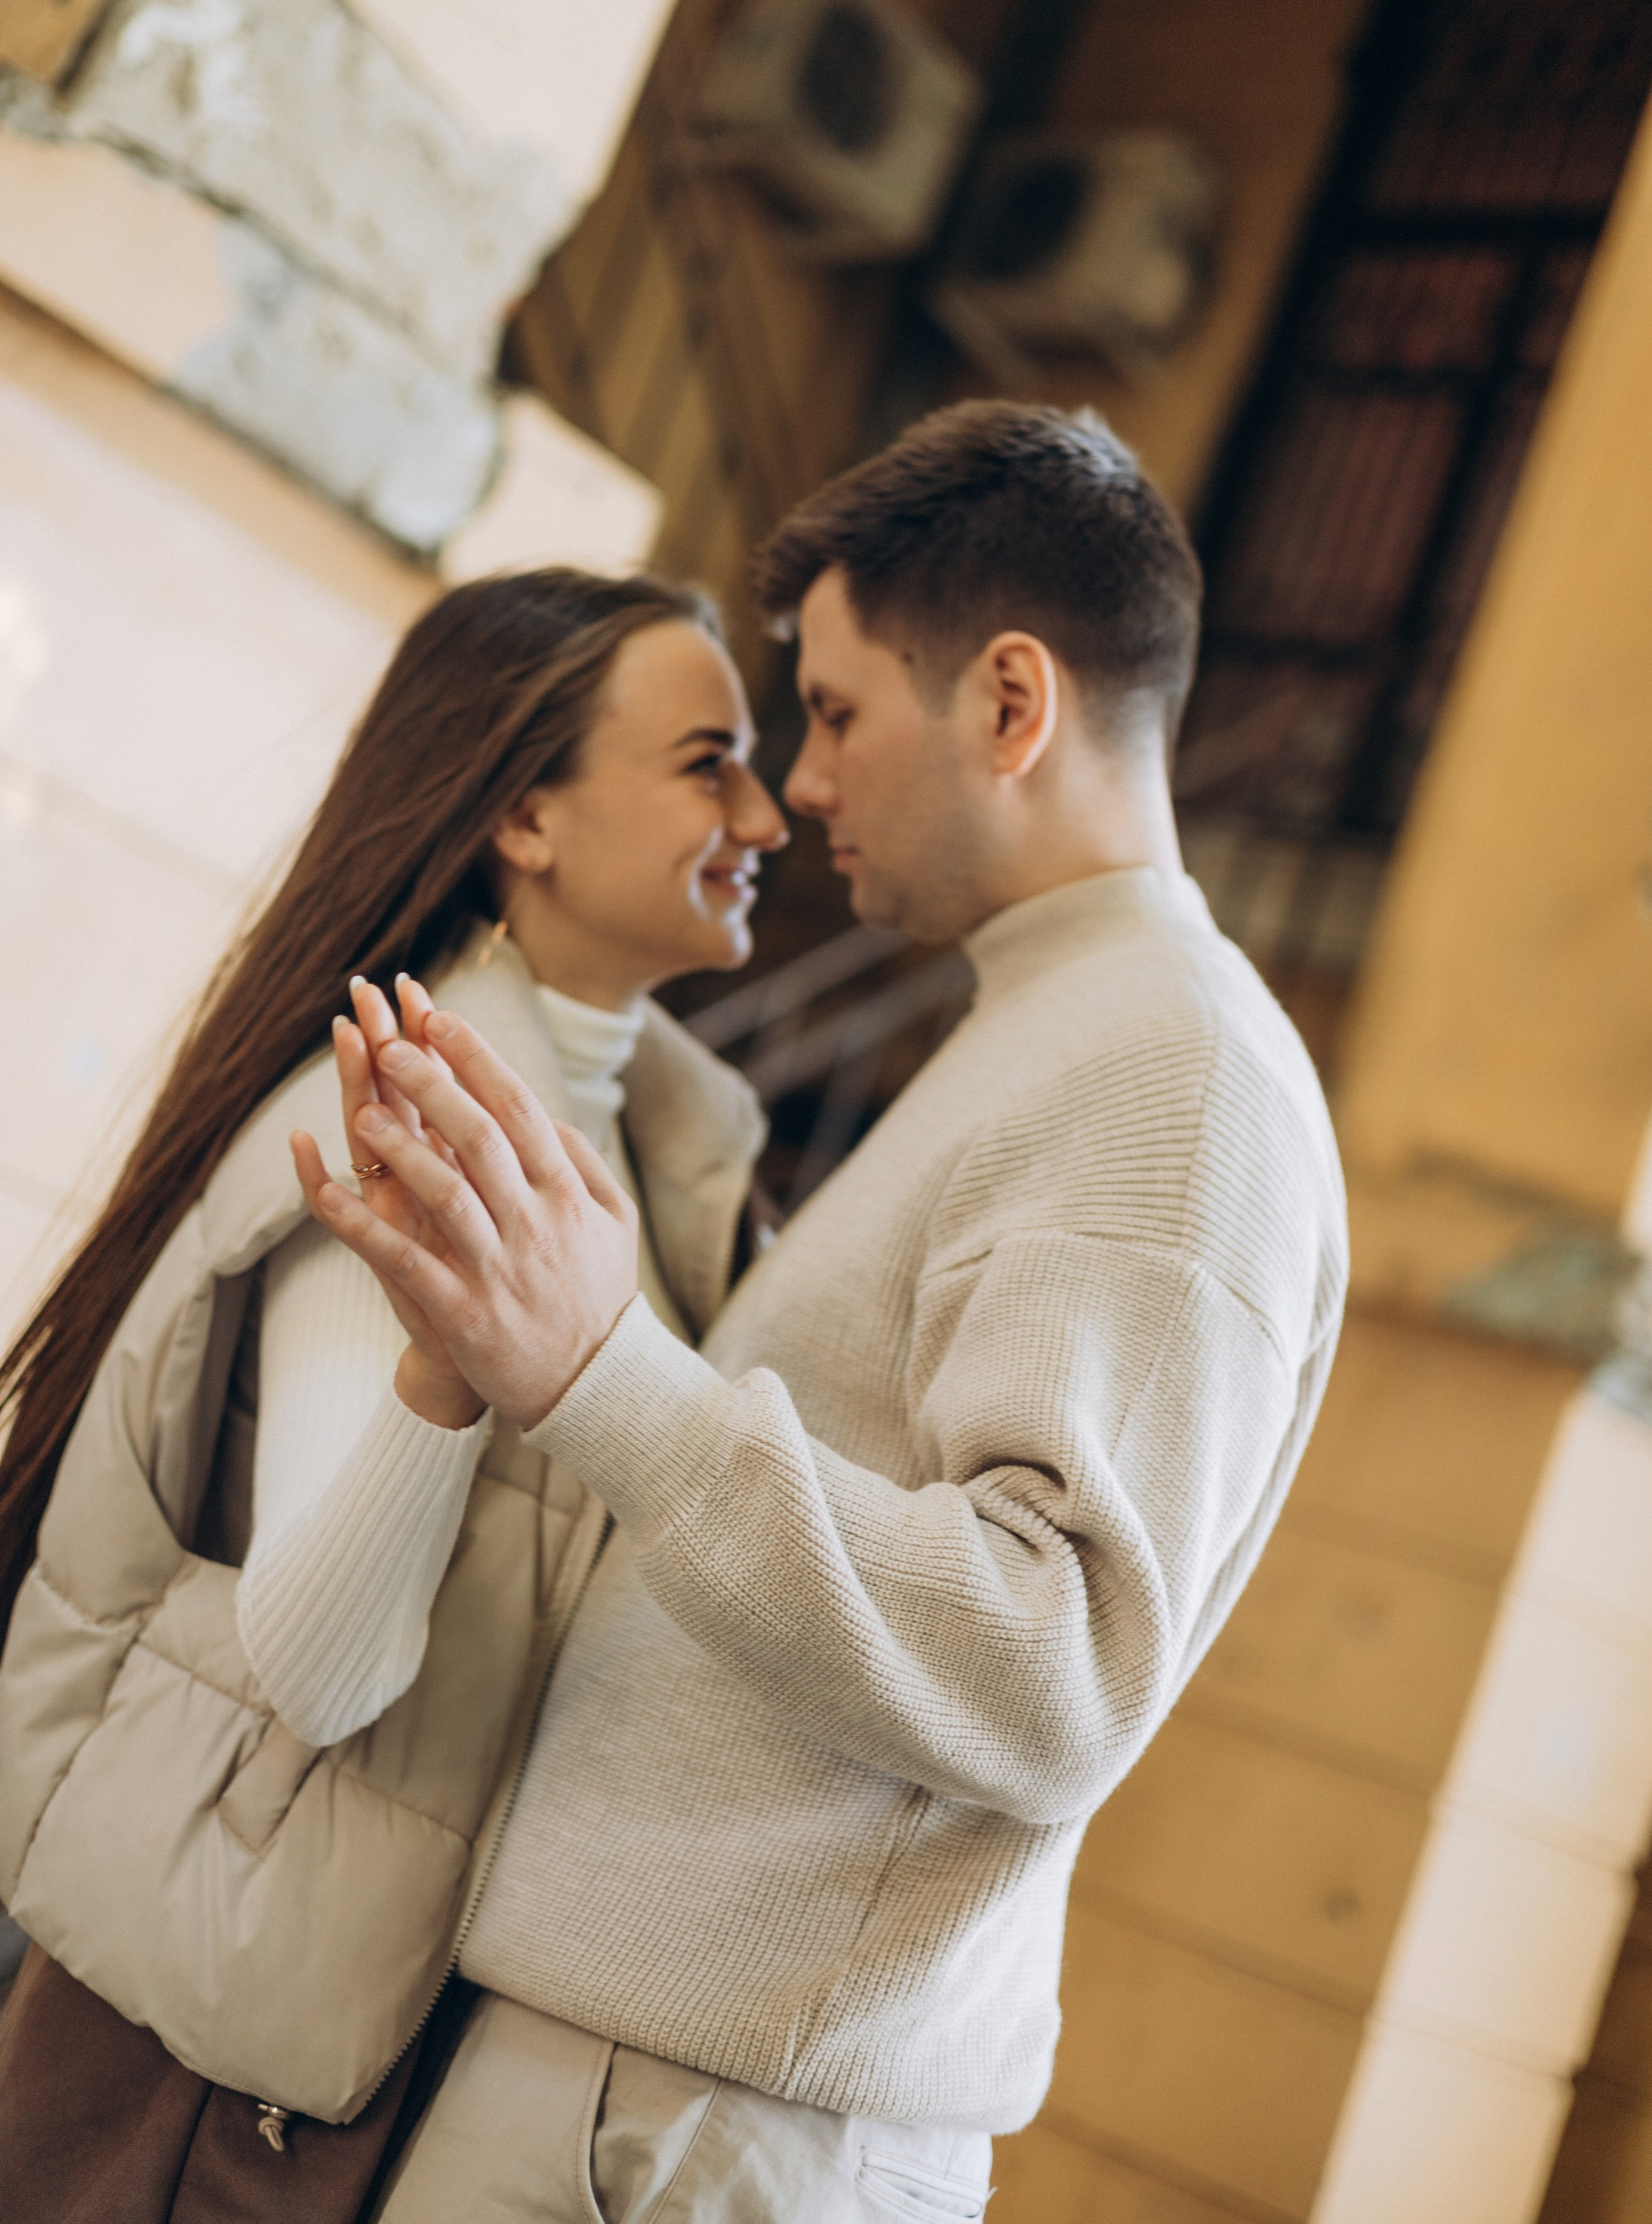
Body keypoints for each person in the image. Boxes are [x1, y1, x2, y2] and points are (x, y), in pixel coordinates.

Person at [297, 402, 1350, 2222]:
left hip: (711, 2123)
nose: (802, 788)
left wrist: (599, 1372)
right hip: (664, 2084)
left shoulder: (1179, 1078)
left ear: (1013, 705)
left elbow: (1052, 1664)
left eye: (842, 713)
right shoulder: (1060, 1029)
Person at [0, 567, 787, 2221]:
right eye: (707, 760)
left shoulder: (659, 1151)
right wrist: (449, 1358)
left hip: (353, 2027)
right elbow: (321, 1661)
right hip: (209, 2066)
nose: (766, 812)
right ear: (526, 816)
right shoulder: (416, 1128)